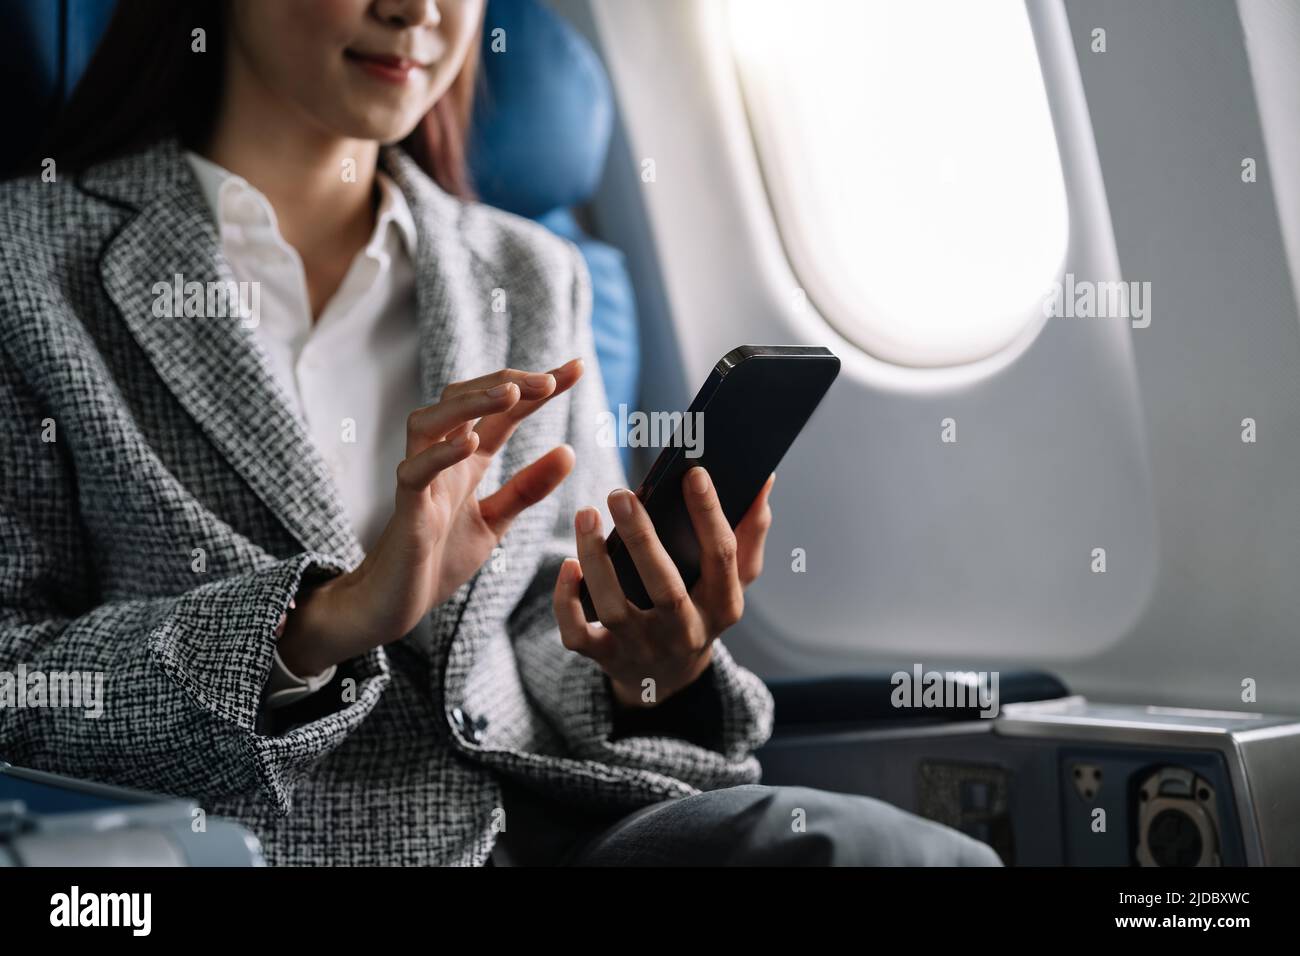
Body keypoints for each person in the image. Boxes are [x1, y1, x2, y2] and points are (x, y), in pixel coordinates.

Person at [0, 0, 999, 867]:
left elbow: (541, 628)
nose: (417, 9)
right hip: (229, 843)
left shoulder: (529, 273)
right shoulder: (28, 262)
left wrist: (650, 665)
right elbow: (18, 677)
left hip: (536, 833)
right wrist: (323, 622)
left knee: (878, 850)